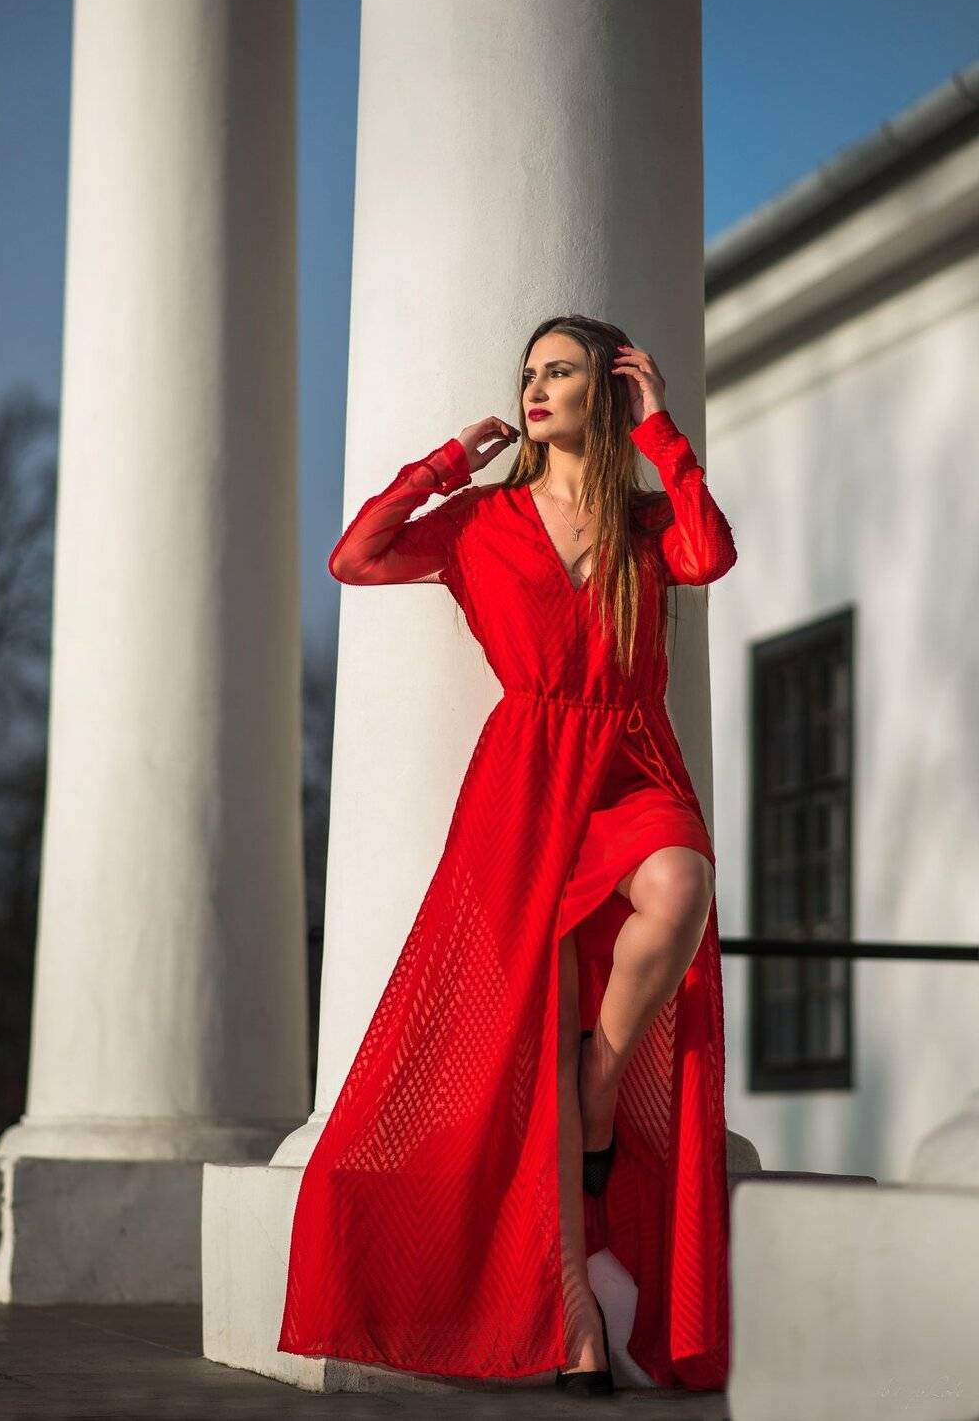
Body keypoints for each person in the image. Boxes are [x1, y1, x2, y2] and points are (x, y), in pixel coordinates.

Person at [277, 314, 738, 1398]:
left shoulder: (643, 518)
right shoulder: (479, 521)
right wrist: (443, 465)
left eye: (563, 371)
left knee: (680, 885)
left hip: (629, 764)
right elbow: (356, 556)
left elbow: (709, 556)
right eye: (531, 373)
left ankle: (600, 1081)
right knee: (512, 1041)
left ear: (608, 391)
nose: (538, 389)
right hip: (524, 788)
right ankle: (571, 1326)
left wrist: (665, 427)